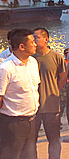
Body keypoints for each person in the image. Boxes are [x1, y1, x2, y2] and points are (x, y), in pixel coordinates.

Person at [0, 29, 40, 159]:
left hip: (31, 120)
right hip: (13, 123)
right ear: (22, 47)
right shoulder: (6, 68)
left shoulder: (33, 62)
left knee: (30, 155)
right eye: (33, 42)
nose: (36, 44)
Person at [33, 27, 67, 159]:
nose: (34, 41)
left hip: (51, 106)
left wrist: (53, 91)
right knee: (31, 141)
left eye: (37, 37)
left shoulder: (56, 57)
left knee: (53, 139)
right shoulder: (30, 58)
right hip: (33, 106)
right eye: (33, 38)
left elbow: (63, 77)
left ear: (46, 39)